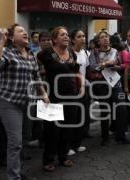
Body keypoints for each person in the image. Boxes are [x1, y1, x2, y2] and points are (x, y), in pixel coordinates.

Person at [0, 24, 48, 180]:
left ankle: (21, 172)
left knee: (25, 140)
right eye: (20, 31)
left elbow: (37, 77)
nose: (25, 33)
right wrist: (1, 41)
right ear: (11, 37)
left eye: (25, 31)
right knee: (15, 143)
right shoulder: (8, 53)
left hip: (27, 103)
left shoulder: (31, 54)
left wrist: (44, 95)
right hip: (10, 103)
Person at [37, 26, 82, 172]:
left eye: (67, 34)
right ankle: (48, 159)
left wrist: (81, 87)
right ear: (54, 39)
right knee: (52, 130)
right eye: (62, 34)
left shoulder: (72, 54)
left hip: (71, 96)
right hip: (52, 97)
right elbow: (35, 68)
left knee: (68, 128)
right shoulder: (46, 54)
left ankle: (63, 156)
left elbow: (76, 71)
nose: (66, 37)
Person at [88, 30, 130, 146]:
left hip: (116, 84)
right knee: (105, 111)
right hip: (102, 85)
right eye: (102, 37)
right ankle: (105, 137)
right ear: (98, 41)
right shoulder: (94, 53)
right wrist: (106, 64)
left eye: (106, 37)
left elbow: (118, 64)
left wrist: (112, 66)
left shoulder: (114, 51)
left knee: (121, 109)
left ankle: (120, 136)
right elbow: (92, 67)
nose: (105, 39)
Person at [68, 29, 90, 155]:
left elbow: (86, 70)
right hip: (72, 89)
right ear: (73, 39)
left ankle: (77, 144)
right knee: (72, 118)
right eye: (79, 36)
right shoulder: (69, 53)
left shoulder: (85, 53)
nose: (83, 38)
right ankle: (68, 145)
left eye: (83, 36)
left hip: (83, 89)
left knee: (82, 117)